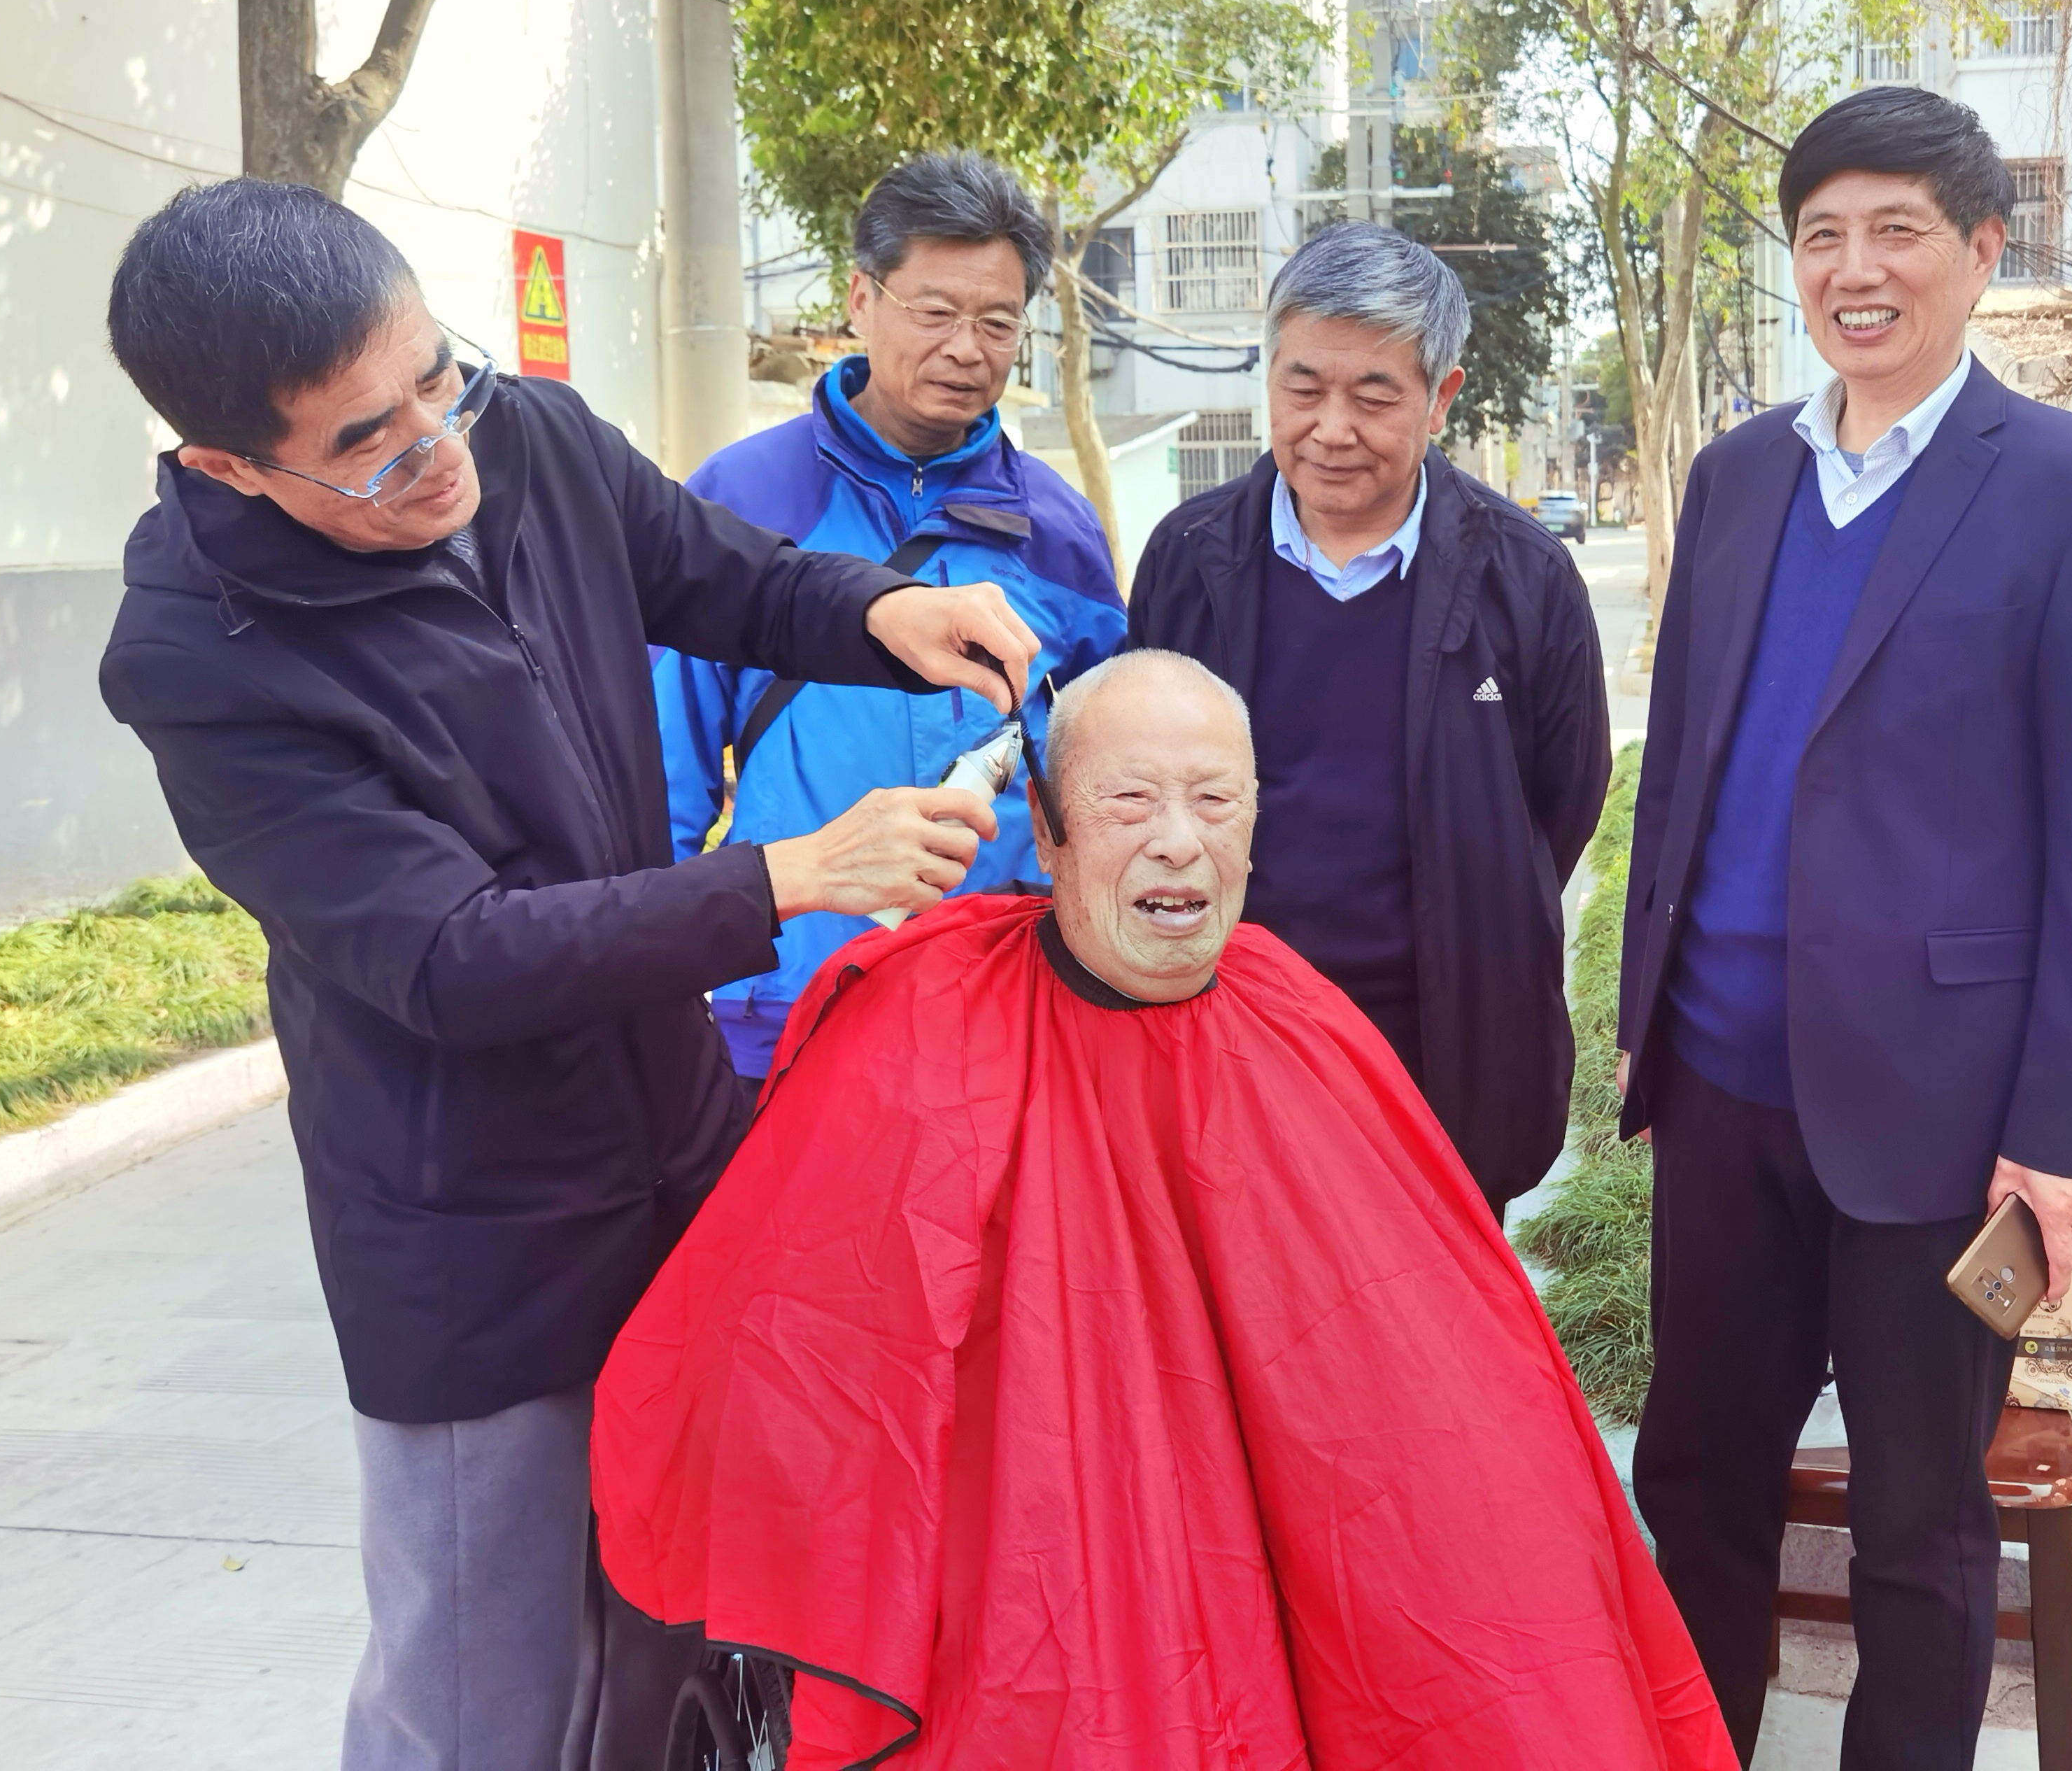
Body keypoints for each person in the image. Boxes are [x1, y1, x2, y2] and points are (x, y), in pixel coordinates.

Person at [94, 179, 1039, 1771]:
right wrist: (785, 878)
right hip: (478, 1236)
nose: (436, 448)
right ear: (229, 467)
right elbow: (448, 956)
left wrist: (886, 606)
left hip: (676, 1158)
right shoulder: (202, 659)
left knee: (674, 1638)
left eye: (437, 377)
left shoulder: (522, 437)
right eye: (369, 443)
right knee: (486, 1689)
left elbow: (724, 574)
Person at [591, 651, 1733, 1771]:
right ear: (1048, 834)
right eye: (1129, 802)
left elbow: (1435, 1372)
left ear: (1255, 829)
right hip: (1028, 1573)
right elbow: (806, 1351)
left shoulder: (1306, 1021)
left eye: (1215, 802)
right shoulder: (919, 1027)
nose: (1179, 840)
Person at [1617, 87, 2072, 1766]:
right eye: (1820, 236)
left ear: (1980, 251)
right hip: (1719, 1086)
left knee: (1918, 1522)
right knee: (1695, 1479)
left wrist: (2069, 1134)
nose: (1853, 271)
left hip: (1938, 1116)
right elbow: (1682, 758)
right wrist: (1644, 1020)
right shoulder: (1737, 479)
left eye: (1895, 232)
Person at [1126, 223, 1611, 1220]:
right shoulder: (1188, 560)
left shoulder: (1526, 578)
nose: (1331, 429)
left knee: (1431, 1301)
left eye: (1374, 397)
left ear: (1441, 398)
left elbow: (1562, 802)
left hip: (1442, 1056)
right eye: (1302, 389)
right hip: (1230, 1042)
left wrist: (1474, 898)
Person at [657, 153, 1124, 1094]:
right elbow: (661, 776)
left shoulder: (1060, 533)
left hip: (1007, 1012)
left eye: (998, 322)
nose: (967, 349)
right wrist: (649, 990)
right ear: (861, 299)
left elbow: (1098, 779)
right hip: (787, 1008)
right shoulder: (735, 502)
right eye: (935, 312)